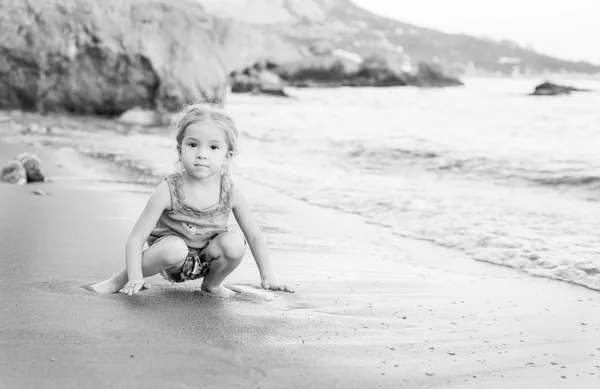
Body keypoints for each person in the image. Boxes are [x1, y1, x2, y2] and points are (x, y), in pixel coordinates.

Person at [91, 103, 293, 298]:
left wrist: (268, 276)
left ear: (227, 156)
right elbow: (136, 239)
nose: (202, 154)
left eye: (213, 147)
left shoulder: (230, 192)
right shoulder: (168, 190)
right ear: (180, 150)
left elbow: (255, 237)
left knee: (234, 243)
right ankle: (119, 279)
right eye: (193, 145)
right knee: (175, 248)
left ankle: (212, 285)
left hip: (207, 260)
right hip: (171, 260)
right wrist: (134, 276)